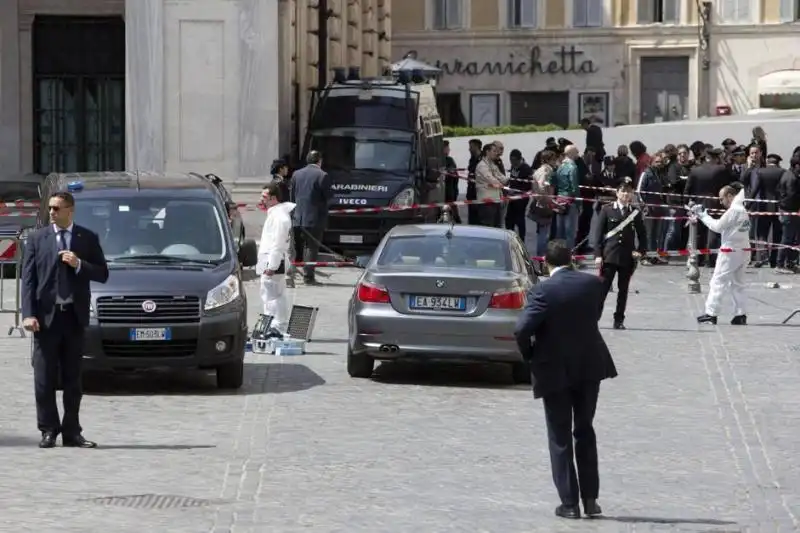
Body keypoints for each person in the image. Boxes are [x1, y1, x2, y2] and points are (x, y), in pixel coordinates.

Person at [514, 240, 618, 520]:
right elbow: (593, 316)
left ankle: (569, 503)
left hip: (554, 367)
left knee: (559, 435)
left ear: (546, 263)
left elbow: (522, 329)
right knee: (585, 430)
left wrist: (530, 355)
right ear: (571, 259)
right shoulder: (592, 285)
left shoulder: (543, 290)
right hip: (589, 364)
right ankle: (591, 499)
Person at [21, 191, 109, 448]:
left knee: (73, 379)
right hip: (45, 320)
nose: (51, 213)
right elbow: (28, 281)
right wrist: (28, 314)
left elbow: (103, 273)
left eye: (56, 208)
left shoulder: (86, 238)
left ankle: (72, 432)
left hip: (73, 318)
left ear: (70, 210)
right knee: (44, 378)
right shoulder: (38, 239)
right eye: (49, 208)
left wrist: (79, 263)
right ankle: (48, 429)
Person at [592, 182, 647, 330]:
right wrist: (598, 255)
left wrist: (640, 251)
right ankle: (594, 319)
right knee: (602, 289)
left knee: (623, 290)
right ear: (617, 193)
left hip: (627, 257)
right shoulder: (607, 210)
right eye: (623, 191)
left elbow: (642, 235)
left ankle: (619, 320)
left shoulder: (635, 212)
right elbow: (598, 235)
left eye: (628, 192)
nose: (625, 194)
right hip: (609, 256)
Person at [692, 185, 750, 325]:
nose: (720, 202)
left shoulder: (734, 210)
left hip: (730, 251)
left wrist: (703, 215)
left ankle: (711, 313)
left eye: (721, 198)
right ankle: (740, 314)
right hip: (744, 250)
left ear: (730, 196)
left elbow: (717, 227)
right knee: (738, 284)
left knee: (718, 282)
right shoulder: (742, 210)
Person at [257, 182, 295, 333]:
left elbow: (278, 243)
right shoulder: (276, 214)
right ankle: (274, 325)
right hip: (271, 260)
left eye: (264, 196)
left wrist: (271, 266)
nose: (261, 199)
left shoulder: (279, 217)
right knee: (271, 294)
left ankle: (276, 326)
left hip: (273, 261)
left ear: (273, 198)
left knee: (272, 295)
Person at [290, 150, 333, 285]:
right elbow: (329, 196)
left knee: (297, 247)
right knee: (311, 247)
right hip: (314, 218)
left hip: (297, 217)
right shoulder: (322, 175)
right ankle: (308, 277)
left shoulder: (296, 174)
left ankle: (292, 275)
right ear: (319, 161)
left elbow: (292, 195)